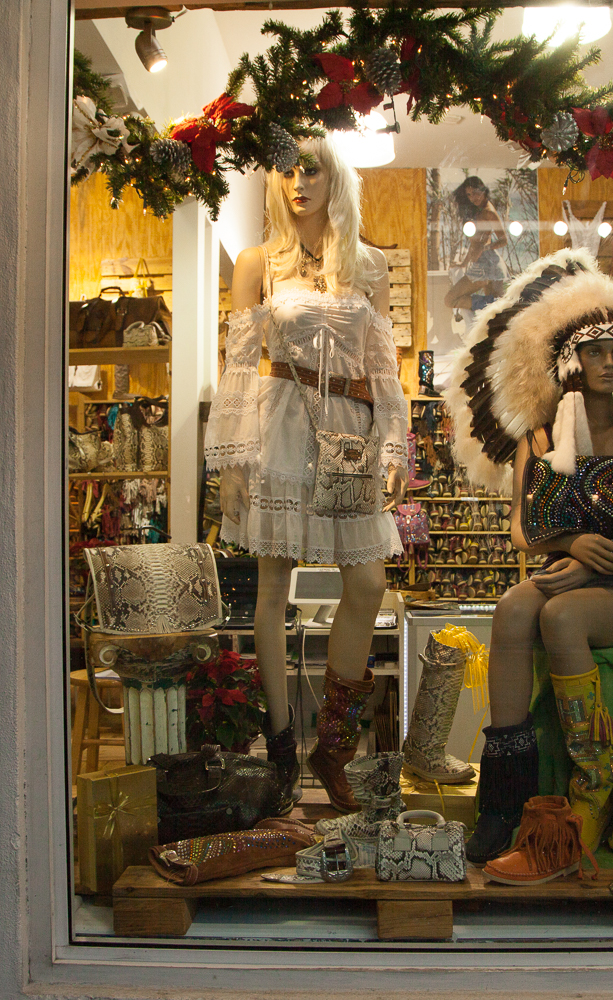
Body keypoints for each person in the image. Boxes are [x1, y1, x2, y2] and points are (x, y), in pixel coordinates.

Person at [440, 248, 613, 864]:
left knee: (561, 617)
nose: (609, 363)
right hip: (568, 567)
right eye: (595, 351)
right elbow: (524, 531)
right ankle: (505, 799)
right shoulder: (541, 436)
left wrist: (595, 562)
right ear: (571, 357)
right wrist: (571, 544)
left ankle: (589, 793)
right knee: (512, 609)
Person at [204, 136, 409, 813]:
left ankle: (334, 744)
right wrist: (234, 461)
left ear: (334, 177)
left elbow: (383, 366)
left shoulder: (369, 265)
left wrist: (394, 447)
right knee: (272, 588)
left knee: (368, 583)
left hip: (349, 432)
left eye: (312, 168)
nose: (300, 181)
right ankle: (280, 742)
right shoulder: (259, 262)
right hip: (281, 427)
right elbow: (239, 364)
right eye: (288, 169)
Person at [445, 176, 508, 310]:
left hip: (488, 266)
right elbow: (475, 244)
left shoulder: (489, 212)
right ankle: (494, 304)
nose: (473, 198)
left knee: (450, 300)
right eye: (469, 195)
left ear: (483, 190)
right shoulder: (477, 210)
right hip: (486, 266)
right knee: (491, 314)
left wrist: (485, 248)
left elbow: (503, 240)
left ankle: (495, 303)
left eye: (475, 192)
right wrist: (463, 263)